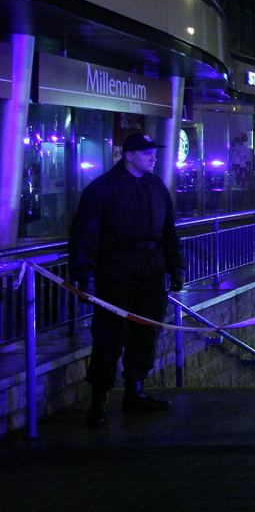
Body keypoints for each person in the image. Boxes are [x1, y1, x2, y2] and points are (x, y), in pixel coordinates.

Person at [69, 133, 184, 428]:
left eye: (153, 153)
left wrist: (176, 267)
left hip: (150, 271)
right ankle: (100, 398)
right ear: (128, 155)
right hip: (116, 271)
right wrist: (86, 278)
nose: (153, 157)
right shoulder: (101, 189)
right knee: (108, 336)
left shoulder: (156, 186)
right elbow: (85, 237)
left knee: (145, 334)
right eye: (146, 153)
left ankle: (135, 390)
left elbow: (168, 232)